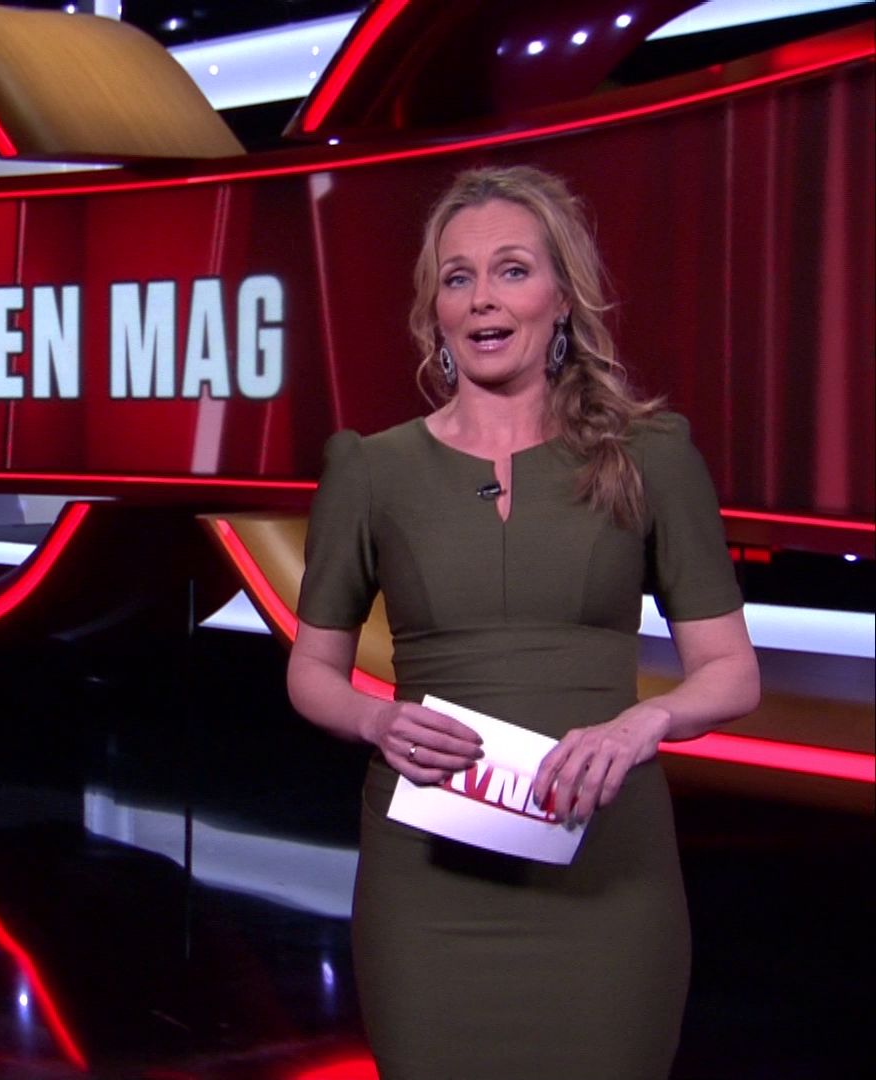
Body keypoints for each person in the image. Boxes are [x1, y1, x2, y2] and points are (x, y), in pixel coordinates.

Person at [285, 165, 760, 1080]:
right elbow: (311, 672)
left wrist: (642, 724)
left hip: (606, 877)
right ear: (435, 310)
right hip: (429, 884)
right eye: (457, 277)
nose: (482, 299)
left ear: (562, 297)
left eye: (511, 270)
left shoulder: (649, 455)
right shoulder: (371, 470)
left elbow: (731, 670)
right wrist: (377, 719)